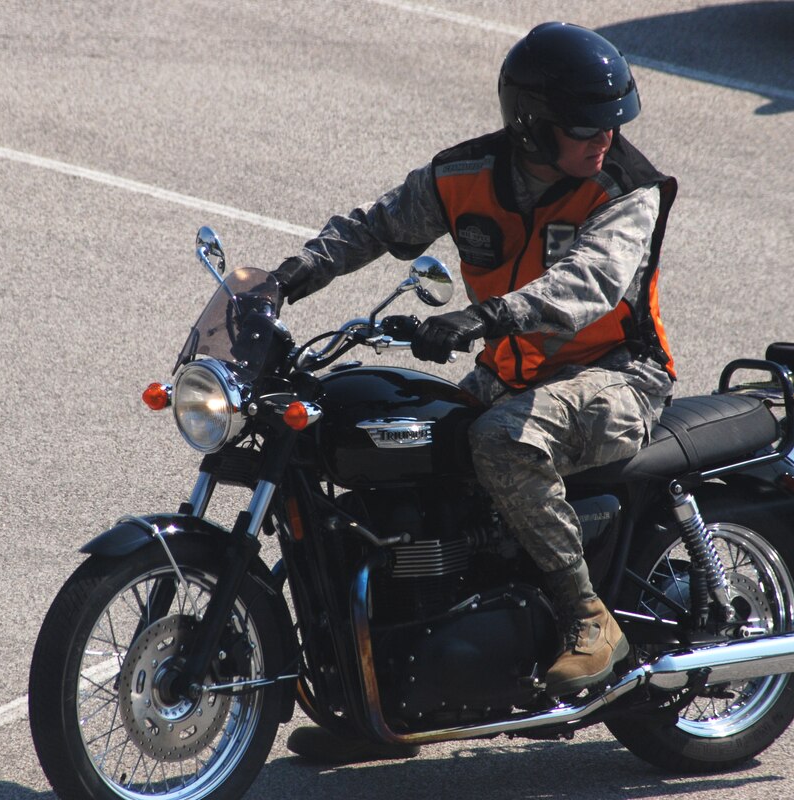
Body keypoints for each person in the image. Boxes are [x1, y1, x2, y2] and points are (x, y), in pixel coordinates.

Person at [275, 21, 677, 762]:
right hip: (512, 372)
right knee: (406, 450)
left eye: (615, 123)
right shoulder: (463, 176)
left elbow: (587, 285)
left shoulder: (626, 188)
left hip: (619, 374)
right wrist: (286, 279)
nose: (606, 139)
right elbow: (375, 226)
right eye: (586, 126)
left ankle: (588, 616)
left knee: (500, 442)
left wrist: (481, 318)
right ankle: (388, 704)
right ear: (532, 124)